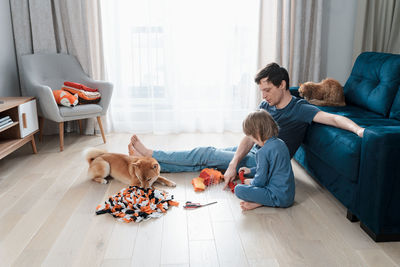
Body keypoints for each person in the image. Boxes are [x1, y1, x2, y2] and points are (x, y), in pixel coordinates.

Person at [128, 63, 365, 189]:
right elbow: (249, 136)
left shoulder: (300, 109)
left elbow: (333, 118)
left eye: (268, 89)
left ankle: (151, 156)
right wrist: (233, 163)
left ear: (282, 85)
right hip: (253, 152)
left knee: (206, 154)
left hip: (264, 162)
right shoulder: (266, 104)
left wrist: (357, 129)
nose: (264, 95)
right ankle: (155, 165)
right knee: (207, 153)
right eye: (261, 89)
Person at [234, 109, 294, 211]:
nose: (253, 141)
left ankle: (264, 201)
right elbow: (269, 168)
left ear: (257, 133)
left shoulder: (262, 152)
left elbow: (260, 181)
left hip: (276, 196)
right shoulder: (281, 143)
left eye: (251, 137)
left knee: (238, 189)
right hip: (289, 196)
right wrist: (250, 170)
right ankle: (260, 202)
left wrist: (250, 182)